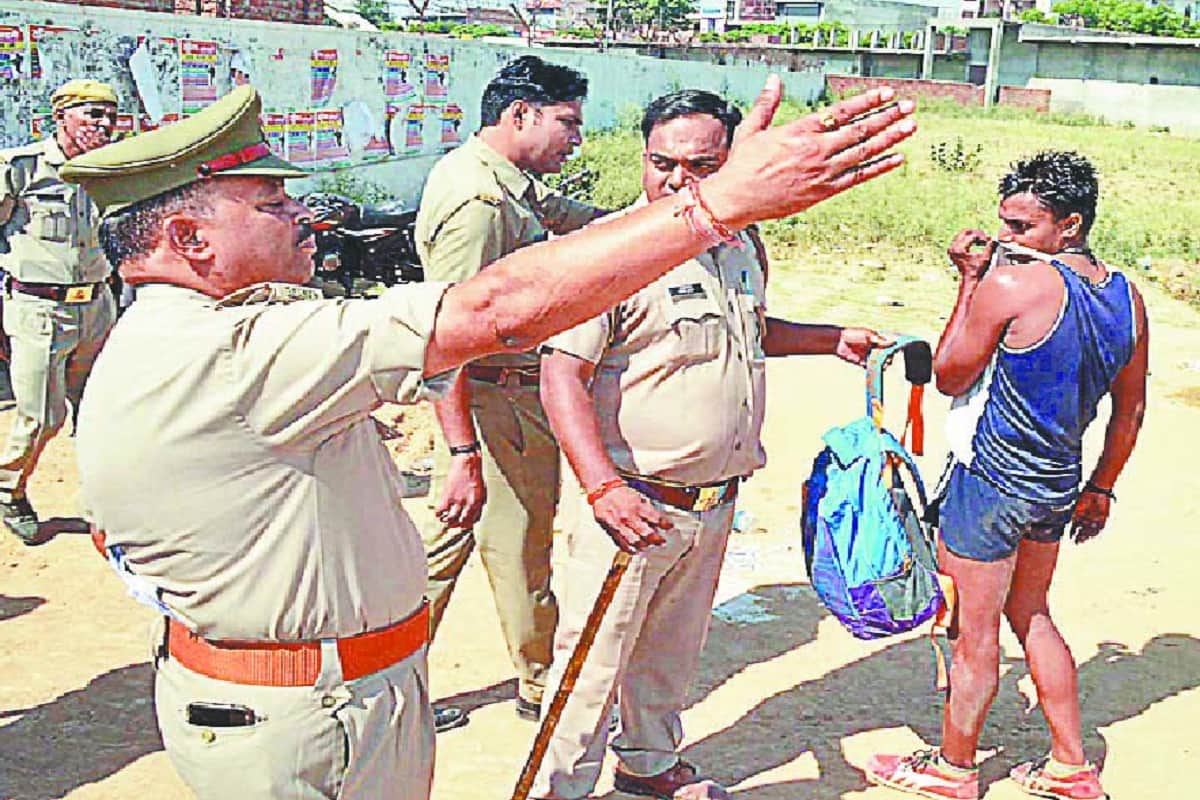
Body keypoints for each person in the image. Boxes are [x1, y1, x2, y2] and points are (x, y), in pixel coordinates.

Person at [62, 79, 915, 800]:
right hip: (308, 716)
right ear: (187, 239)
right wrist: (719, 203)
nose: (304, 217)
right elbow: (490, 313)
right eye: (272, 203)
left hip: (340, 695)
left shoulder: (216, 327)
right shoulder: (228, 350)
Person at [530, 89, 895, 800]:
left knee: (670, 653)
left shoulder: (739, 242)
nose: (680, 181)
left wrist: (828, 340)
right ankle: (561, 789)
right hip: (633, 503)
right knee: (591, 663)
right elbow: (561, 376)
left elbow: (749, 332)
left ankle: (647, 762)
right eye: (663, 163)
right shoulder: (615, 251)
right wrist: (604, 487)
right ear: (643, 159)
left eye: (703, 164)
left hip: (712, 501)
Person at [865, 151, 1148, 800]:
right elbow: (1129, 407)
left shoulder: (1014, 285)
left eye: (1021, 226)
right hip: (1058, 481)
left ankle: (954, 768)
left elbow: (947, 373)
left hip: (991, 482)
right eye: (1004, 223)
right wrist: (1101, 486)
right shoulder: (1125, 296)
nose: (1005, 239)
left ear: (1070, 225)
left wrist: (970, 280)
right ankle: (1070, 765)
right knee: (1034, 613)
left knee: (974, 631)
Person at [414, 54, 605, 725]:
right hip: (490, 403)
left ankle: (391, 680)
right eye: (568, 123)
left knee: (446, 550)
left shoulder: (504, 180)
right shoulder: (479, 202)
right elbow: (447, 339)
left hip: (490, 402)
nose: (576, 139)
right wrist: (464, 450)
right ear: (520, 115)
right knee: (521, 546)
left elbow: (568, 216)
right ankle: (539, 682)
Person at [0, 78, 118, 544]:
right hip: (38, 307)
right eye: (92, 114)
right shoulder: (22, 168)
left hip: (96, 305)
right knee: (41, 415)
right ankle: (9, 489)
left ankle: (103, 501)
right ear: (62, 117)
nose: (104, 124)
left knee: (99, 410)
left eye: (110, 116)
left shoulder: (110, 170)